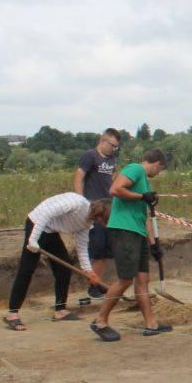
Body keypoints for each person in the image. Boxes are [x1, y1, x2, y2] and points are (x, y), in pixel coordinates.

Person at [90, 149, 170, 342]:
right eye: (160, 169)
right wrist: (142, 197)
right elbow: (115, 189)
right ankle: (100, 321)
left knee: (142, 278)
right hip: (124, 230)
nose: (158, 173)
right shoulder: (135, 169)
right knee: (125, 279)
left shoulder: (144, 182)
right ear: (157, 163)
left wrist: (153, 245)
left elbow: (145, 218)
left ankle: (151, 324)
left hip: (137, 232)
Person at [3, 194, 110, 330]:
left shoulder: (87, 224)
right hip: (37, 223)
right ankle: (12, 314)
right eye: (101, 219)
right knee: (27, 269)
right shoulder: (75, 203)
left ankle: (60, 310)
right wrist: (33, 240)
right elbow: (46, 214)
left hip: (51, 230)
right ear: (98, 212)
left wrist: (89, 271)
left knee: (64, 268)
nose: (100, 222)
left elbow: (82, 247)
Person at [74, 128, 121, 299]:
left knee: (106, 251)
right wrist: (81, 203)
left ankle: (97, 283)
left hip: (109, 209)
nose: (113, 149)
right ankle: (93, 286)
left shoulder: (112, 159)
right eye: (112, 145)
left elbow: (115, 178)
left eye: (116, 147)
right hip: (95, 210)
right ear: (103, 140)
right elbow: (79, 177)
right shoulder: (90, 156)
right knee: (98, 248)